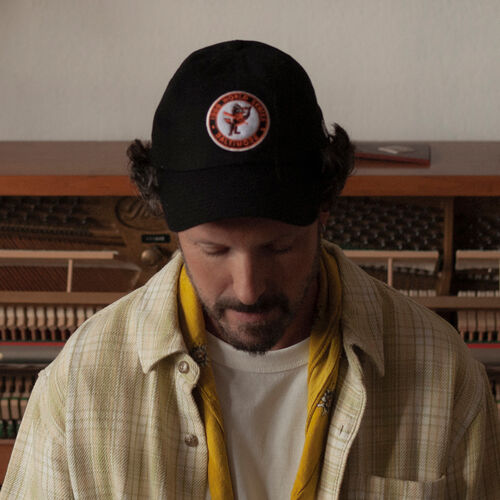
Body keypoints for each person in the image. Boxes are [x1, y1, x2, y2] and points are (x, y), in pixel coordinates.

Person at [1, 40, 499, 500]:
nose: (248, 288)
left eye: (279, 247)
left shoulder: (444, 373)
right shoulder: (80, 385)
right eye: (214, 250)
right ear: (167, 220)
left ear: (324, 208)